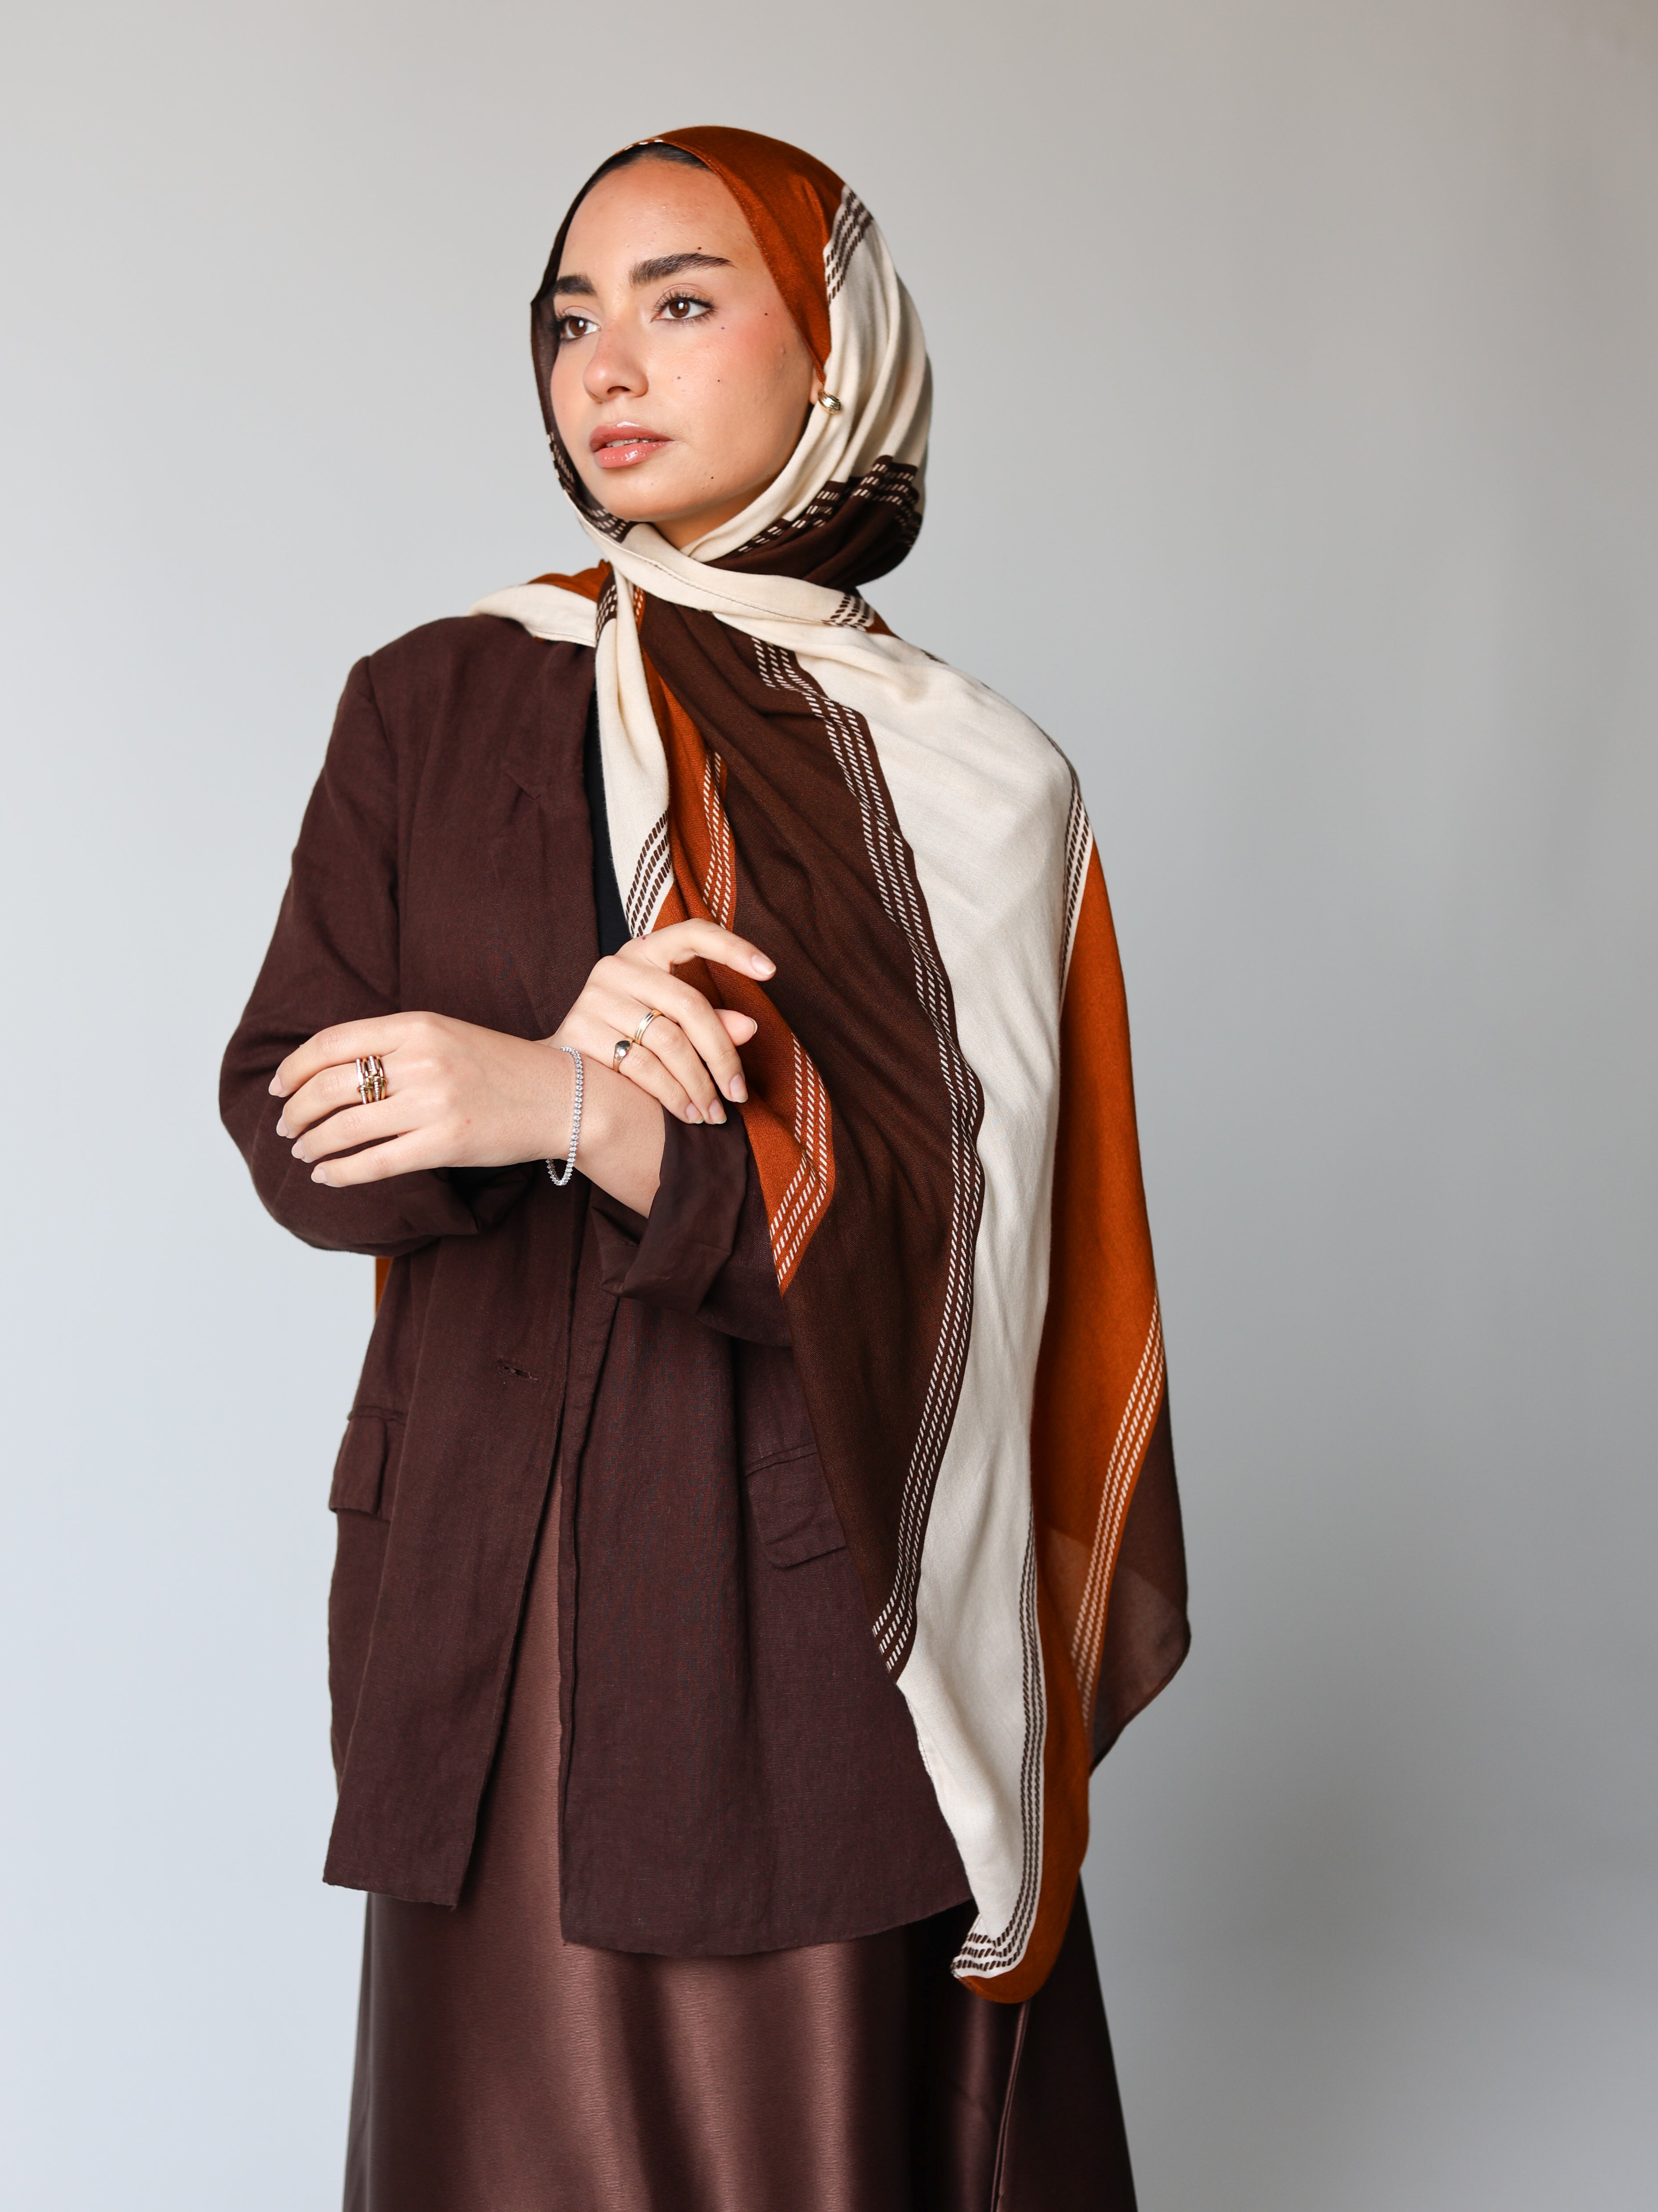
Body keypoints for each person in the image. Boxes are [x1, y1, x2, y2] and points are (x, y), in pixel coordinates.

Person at [221, 126, 1189, 2212]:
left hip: (812, 1622)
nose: (607, 365)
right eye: (569, 318)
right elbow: (289, 1112)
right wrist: (509, 1080)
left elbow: (955, 1262)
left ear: (838, 350)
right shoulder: (432, 699)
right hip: (493, 1608)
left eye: (681, 301)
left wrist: (590, 1117)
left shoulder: (977, 783)